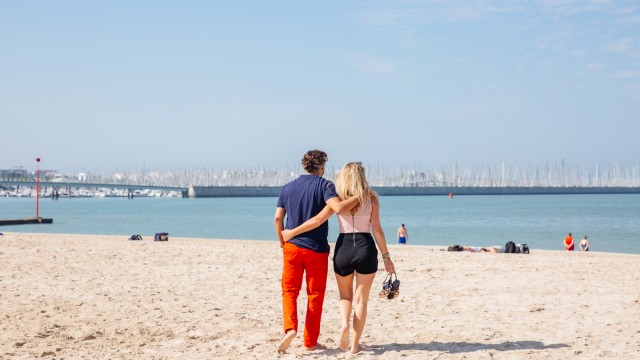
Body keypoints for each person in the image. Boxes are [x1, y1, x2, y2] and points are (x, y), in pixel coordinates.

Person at [282, 162, 395, 354]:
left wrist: (292, 232)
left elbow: (317, 220)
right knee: (361, 300)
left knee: (345, 296)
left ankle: (344, 324)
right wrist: (386, 257)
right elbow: (377, 229)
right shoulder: (371, 198)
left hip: (343, 249)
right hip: (365, 247)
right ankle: (354, 345)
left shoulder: (337, 200)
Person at [274, 150, 359, 354]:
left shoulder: (287, 188)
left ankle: (290, 328)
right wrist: (359, 194)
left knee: (289, 291)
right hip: (316, 250)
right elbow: (336, 208)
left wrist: (281, 242)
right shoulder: (325, 185)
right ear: (321, 167)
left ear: (305, 166)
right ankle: (310, 341)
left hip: (292, 247)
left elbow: (278, 219)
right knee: (315, 295)